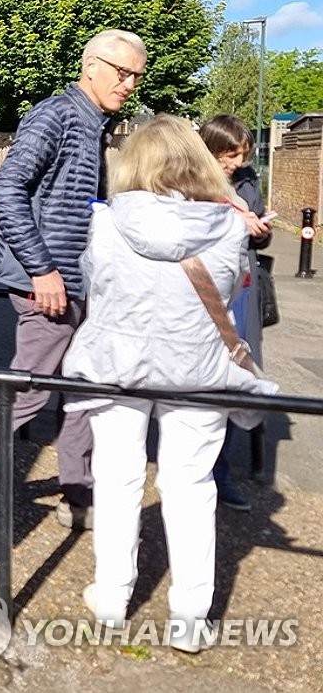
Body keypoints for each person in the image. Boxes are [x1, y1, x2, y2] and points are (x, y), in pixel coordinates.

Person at [0, 29, 147, 538]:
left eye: (136, 74)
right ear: (91, 65)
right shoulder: (58, 114)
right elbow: (6, 188)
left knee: (81, 389)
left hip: (75, 284)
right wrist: (42, 270)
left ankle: (79, 494)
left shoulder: (94, 123)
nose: (129, 82)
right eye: (121, 71)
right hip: (48, 284)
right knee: (25, 391)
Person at [62, 114, 275, 652]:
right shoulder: (229, 224)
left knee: (117, 478)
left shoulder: (107, 223)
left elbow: (96, 283)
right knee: (191, 487)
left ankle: (111, 597)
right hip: (198, 367)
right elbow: (230, 288)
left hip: (119, 363)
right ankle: (188, 619)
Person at [199, 114, 273, 512]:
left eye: (242, 155)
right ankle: (195, 468)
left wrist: (259, 230)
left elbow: (258, 229)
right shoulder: (189, 176)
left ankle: (220, 473)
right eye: (229, 155)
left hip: (241, 282)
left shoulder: (247, 180)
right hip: (201, 283)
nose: (236, 163)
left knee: (233, 374)